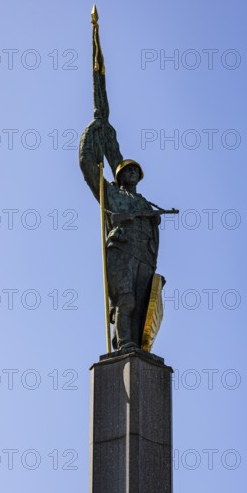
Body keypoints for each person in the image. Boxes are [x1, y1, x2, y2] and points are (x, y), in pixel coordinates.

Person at [79, 118, 161, 350]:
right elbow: (87, 165)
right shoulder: (112, 194)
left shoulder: (144, 201)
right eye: (128, 170)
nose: (133, 172)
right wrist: (91, 133)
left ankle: (136, 345)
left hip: (144, 254)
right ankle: (124, 343)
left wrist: (154, 220)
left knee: (143, 305)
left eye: (136, 170)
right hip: (122, 248)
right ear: (120, 176)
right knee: (126, 300)